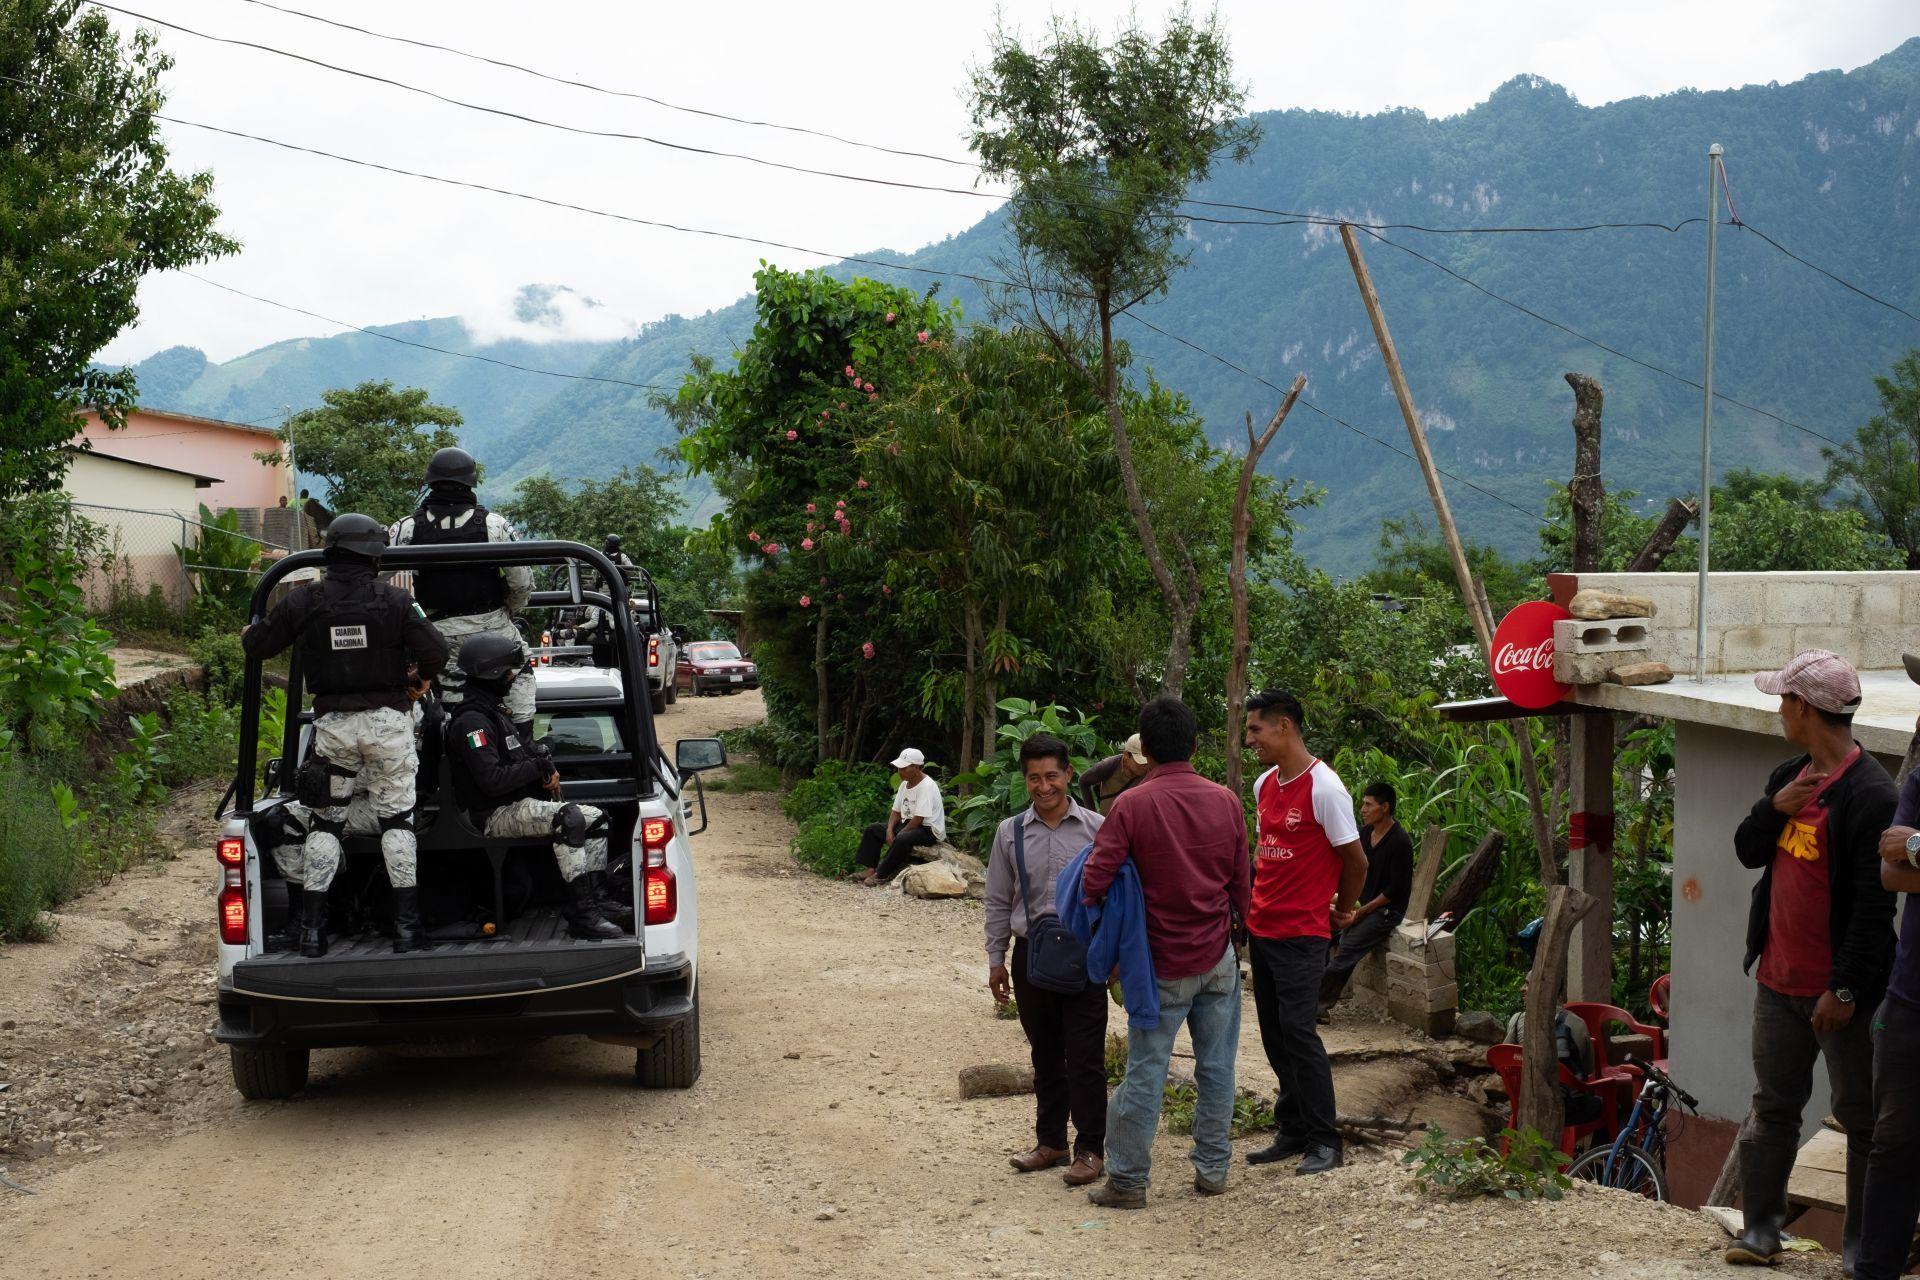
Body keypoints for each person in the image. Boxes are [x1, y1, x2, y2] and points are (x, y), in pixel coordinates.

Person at [1727, 650, 1896, 1271]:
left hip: (1842, 994)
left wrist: (1844, 989)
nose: (1778, 710)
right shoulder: (1790, 776)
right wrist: (1774, 808)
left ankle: (1860, 1252)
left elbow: (1875, 909)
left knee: (1862, 1120)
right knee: (1773, 1106)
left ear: (1803, 708)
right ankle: (1760, 1232)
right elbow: (1748, 851)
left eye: (1783, 700)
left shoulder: (1872, 794)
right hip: (1777, 982)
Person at [241, 513, 448, 957]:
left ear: (331, 551)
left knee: (326, 822)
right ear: (374, 556)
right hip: (388, 724)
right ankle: (407, 931)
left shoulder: (304, 600)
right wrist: (420, 677)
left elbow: (258, 645)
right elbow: (437, 650)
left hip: (334, 726)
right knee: (397, 822)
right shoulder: (396, 601)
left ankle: (312, 933)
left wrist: (250, 631)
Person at [1081, 695, 1249, 1209]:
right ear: (1195, 747)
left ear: (1146, 751)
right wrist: (1235, 936)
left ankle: (1129, 1181)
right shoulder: (1226, 801)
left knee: (1146, 1071)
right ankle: (1213, 1171)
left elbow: (1094, 881)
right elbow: (1242, 884)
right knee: (1217, 1068)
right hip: (1218, 959)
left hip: (1158, 965)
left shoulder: (1132, 805)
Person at [1240, 689, 1368, 1175]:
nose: (1250, 739)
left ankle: (1325, 1139)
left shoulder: (1325, 788)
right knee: (1274, 1036)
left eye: (1256, 729)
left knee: (1298, 1032)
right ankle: (1292, 1128)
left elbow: (1355, 861)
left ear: (1284, 726)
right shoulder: (1264, 784)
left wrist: (1344, 909)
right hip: (1263, 928)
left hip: (1301, 934)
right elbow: (1265, 853)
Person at [444, 634, 628, 939]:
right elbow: (492, 780)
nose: (512, 678)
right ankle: (582, 914)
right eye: (507, 672)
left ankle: (597, 902)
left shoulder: (495, 713)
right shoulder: (472, 722)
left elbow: (522, 756)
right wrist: (538, 766)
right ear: (491, 674)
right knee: (569, 818)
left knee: (596, 819)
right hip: (493, 814)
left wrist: (543, 760)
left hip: (515, 805)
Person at [985, 734, 1109, 1187]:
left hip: (1086, 957)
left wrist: (1116, 957)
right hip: (1031, 958)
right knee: (1046, 1054)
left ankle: (1091, 1149)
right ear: (1025, 780)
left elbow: (1117, 898)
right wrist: (996, 959)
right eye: (1034, 778)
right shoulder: (1010, 832)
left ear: (1069, 774)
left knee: (1086, 1057)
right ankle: (1051, 1142)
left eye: (1051, 776)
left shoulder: (1099, 828)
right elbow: (998, 900)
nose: (1043, 787)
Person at [390, 447, 535, 734]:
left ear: (430, 482)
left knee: (418, 688)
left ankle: (429, 743)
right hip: (493, 630)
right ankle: (523, 738)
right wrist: (508, 610)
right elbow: (521, 584)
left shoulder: (407, 528)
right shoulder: (494, 526)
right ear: (471, 483)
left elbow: (371, 574)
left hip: (435, 637)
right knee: (520, 673)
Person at [1851, 728, 1920, 1280]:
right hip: (1909, 1001)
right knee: (1893, 1144)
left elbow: (1907, 856)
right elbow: (1890, 872)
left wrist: (1918, 845)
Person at [1319, 782, 1415, 1015]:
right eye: (1363, 804)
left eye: (1368, 804)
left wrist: (1362, 912)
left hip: (1385, 911)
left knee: (1346, 954)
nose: (1363, 809)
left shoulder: (1400, 841)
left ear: (1385, 807)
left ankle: (1315, 1007)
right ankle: (1312, 997)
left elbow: (1395, 890)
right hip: (1359, 905)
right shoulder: (1363, 834)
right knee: (1320, 938)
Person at [855, 748, 945, 885]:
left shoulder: (927, 786)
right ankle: (870, 869)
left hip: (928, 830)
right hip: (909, 824)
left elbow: (919, 818)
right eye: (899, 768)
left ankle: (881, 874)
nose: (899, 771)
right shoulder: (904, 784)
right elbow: (896, 811)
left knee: (902, 838)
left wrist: (899, 834)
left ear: (916, 767)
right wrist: (889, 830)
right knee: (873, 829)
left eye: (903, 768)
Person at [1077, 734, 1151, 813]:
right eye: (1141, 762)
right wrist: (1091, 812)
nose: (1145, 765)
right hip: (1108, 817)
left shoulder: (1151, 770)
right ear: (1126, 755)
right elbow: (1083, 781)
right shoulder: (1109, 765)